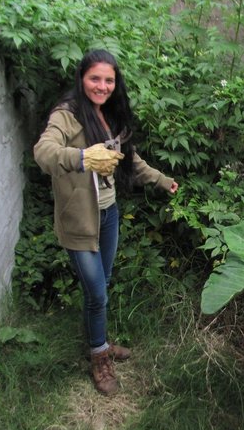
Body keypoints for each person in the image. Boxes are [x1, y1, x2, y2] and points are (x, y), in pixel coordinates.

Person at [34, 49, 178, 396]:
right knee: (97, 292)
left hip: (108, 213)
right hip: (78, 219)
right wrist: (83, 157)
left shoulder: (110, 114)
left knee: (101, 285)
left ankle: (97, 341)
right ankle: (99, 357)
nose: (102, 86)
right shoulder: (66, 115)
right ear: (82, 78)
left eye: (109, 80)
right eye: (94, 78)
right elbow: (44, 151)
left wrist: (161, 179)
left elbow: (129, 159)